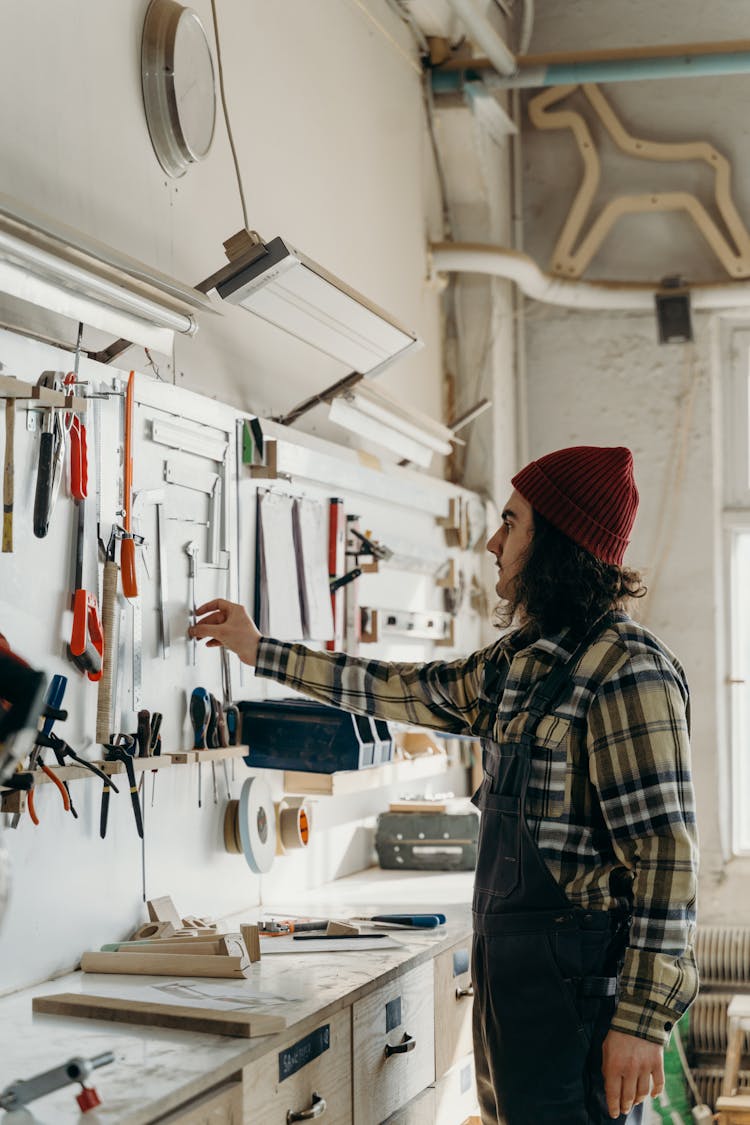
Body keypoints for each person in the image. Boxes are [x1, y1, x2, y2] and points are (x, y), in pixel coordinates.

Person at [190, 445, 698, 1125]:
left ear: (556, 543)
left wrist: (640, 1022)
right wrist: (261, 650)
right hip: (513, 994)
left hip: (578, 1006)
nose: (493, 542)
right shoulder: (519, 665)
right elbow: (398, 690)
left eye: (512, 523)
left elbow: (666, 857)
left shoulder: (627, 670)